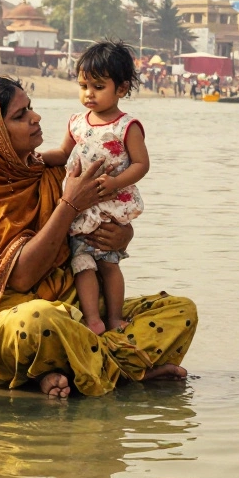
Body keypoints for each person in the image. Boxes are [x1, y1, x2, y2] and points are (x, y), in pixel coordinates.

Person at [0, 76, 193, 398]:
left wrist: (122, 236)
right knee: (38, 320)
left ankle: (69, 368)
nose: (35, 117)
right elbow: (23, 276)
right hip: (5, 323)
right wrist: (69, 205)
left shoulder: (55, 172)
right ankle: (125, 368)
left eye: (30, 107)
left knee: (178, 310)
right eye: (19, 115)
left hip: (78, 311)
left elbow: (99, 223)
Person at [39, 41, 149, 335]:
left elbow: (141, 164)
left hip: (109, 205)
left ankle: (114, 316)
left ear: (121, 89)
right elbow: (62, 155)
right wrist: (37, 158)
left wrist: (115, 182)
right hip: (81, 207)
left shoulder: (126, 126)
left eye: (98, 86)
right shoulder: (76, 123)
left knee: (109, 263)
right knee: (82, 263)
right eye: (84, 85)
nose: (89, 93)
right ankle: (92, 319)